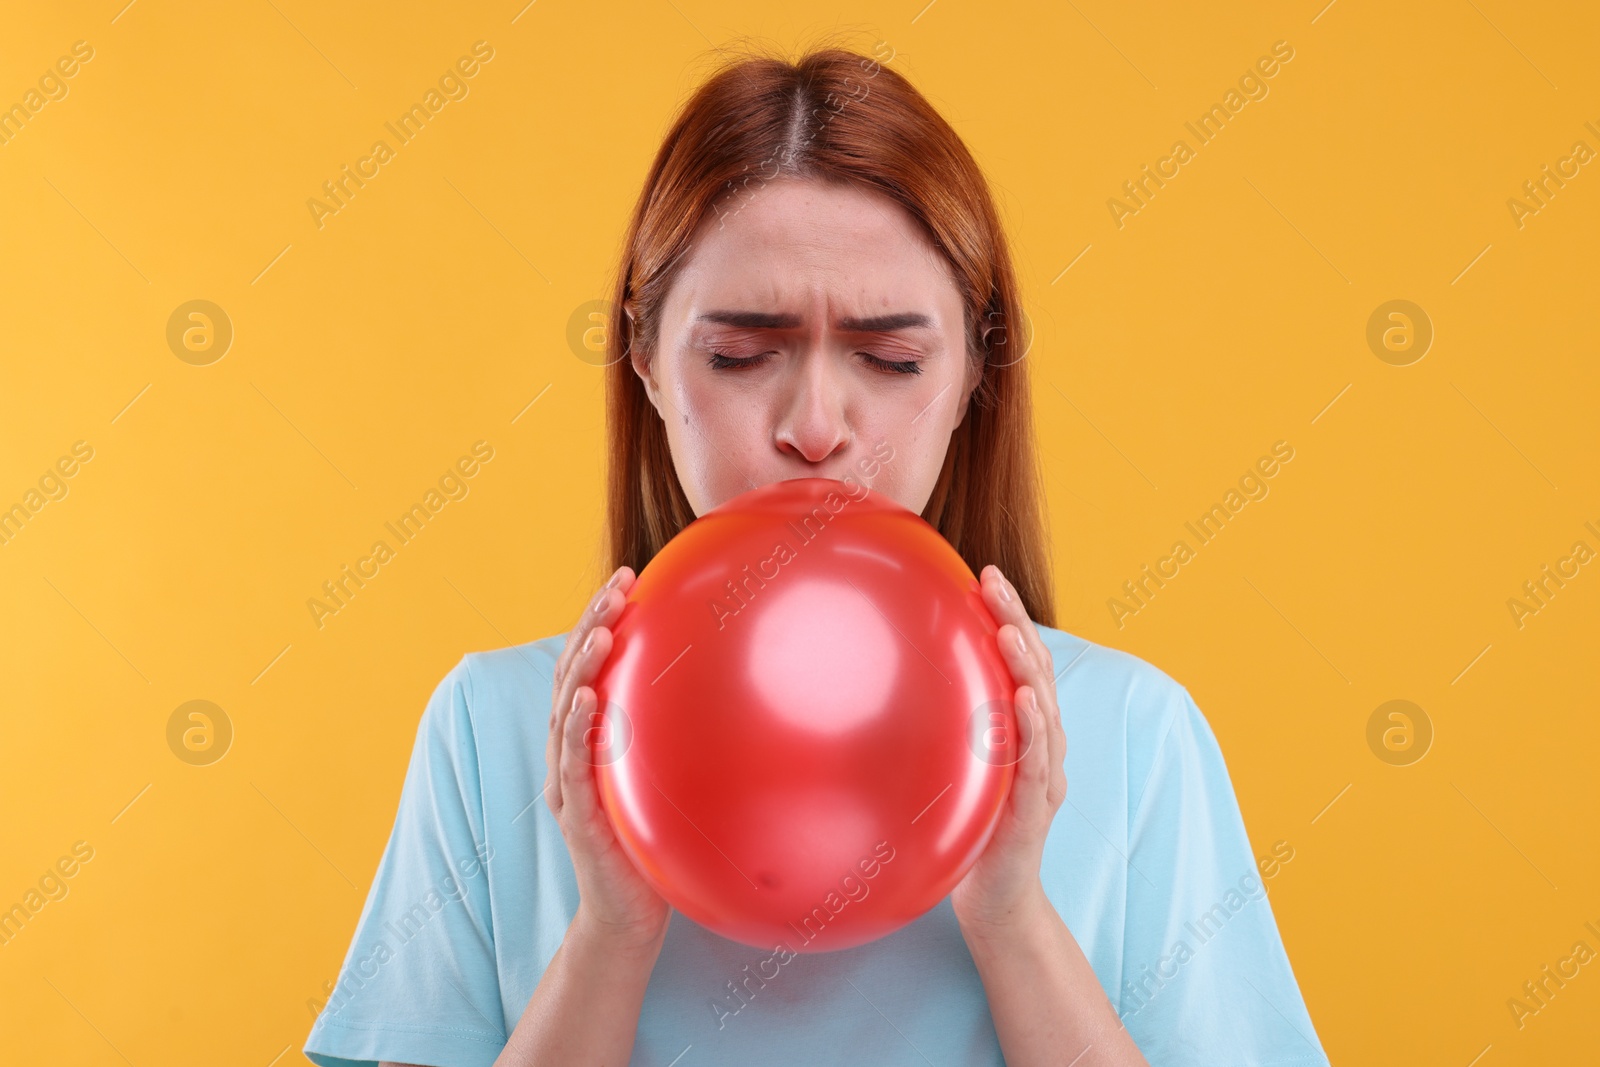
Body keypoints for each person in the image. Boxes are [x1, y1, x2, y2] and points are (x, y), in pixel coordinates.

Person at [303, 42, 1331, 1067]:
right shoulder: (490, 732)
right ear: (648, 364)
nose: (815, 425)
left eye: (891, 360)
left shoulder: (1138, 733)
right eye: (742, 355)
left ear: (974, 374)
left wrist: (1011, 915)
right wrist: (609, 933)